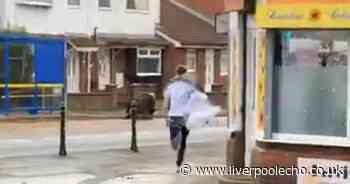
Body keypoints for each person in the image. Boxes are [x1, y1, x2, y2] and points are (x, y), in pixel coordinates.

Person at [163, 65, 197, 169]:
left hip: (181, 116)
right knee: (179, 142)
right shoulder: (173, 86)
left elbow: (166, 103)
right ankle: (179, 150)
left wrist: (166, 117)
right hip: (177, 116)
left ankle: (179, 159)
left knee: (178, 142)